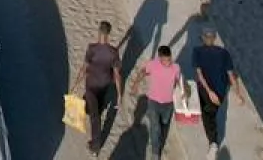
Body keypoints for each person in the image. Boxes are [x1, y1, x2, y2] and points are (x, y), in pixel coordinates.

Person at [192, 27, 244, 158]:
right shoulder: (224, 52)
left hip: (206, 90)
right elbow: (231, 75)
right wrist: (238, 94)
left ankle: (213, 143)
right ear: (214, 38)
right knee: (212, 113)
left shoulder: (197, 51)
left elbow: (199, 74)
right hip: (220, 91)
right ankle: (213, 142)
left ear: (203, 38)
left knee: (207, 116)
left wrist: (209, 91)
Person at [74, 21, 122, 157]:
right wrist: (119, 94)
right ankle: (91, 111)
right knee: (96, 109)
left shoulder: (92, 49)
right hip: (105, 85)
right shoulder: (114, 52)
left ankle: (95, 146)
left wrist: (76, 83)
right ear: (109, 34)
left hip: (91, 85)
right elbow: (117, 75)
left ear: (99, 32)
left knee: (95, 116)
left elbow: (84, 68)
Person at [130, 45, 185, 160]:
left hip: (168, 103)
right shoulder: (153, 65)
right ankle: (155, 154)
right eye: (165, 60)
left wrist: (183, 91)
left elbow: (179, 80)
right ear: (160, 59)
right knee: (155, 128)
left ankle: (159, 143)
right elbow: (143, 72)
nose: (168, 62)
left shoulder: (176, 67)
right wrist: (135, 84)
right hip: (153, 102)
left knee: (164, 126)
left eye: (169, 59)